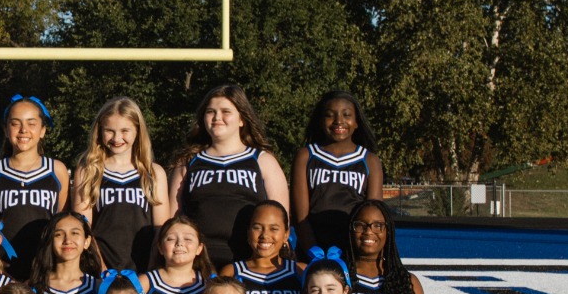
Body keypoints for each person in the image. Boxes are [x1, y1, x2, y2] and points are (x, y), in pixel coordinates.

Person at [169, 85, 289, 269]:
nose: (217, 118)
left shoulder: (262, 160)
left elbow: (281, 217)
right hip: (198, 263)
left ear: (242, 119)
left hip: (248, 262)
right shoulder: (188, 162)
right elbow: (172, 219)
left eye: (226, 111)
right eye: (211, 112)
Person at [70, 97, 170, 273]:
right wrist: (101, 269)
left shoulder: (154, 173)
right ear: (99, 131)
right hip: (100, 269)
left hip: (143, 270)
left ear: (138, 131)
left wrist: (151, 271)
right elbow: (82, 227)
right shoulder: (88, 171)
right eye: (109, 130)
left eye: (125, 130)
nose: (117, 138)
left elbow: (161, 230)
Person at [0, 95, 68, 281]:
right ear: (5, 129)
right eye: (15, 123)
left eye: (31, 123)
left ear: (43, 130)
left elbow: (64, 223)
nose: (23, 130)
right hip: (4, 268)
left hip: (46, 268)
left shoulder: (57, 170)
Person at [291, 91, 383, 253]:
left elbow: (374, 215)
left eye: (346, 115)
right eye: (330, 115)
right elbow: (300, 217)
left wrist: (357, 254)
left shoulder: (370, 160)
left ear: (356, 122)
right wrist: (313, 252)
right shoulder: (306, 156)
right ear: (320, 121)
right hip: (311, 250)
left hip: (354, 252)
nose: (339, 121)